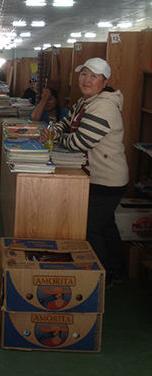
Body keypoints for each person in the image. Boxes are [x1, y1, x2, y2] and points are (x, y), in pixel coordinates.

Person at [42, 58, 129, 288]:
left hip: (107, 180)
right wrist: (53, 130)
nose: (86, 80)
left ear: (105, 81)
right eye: (84, 74)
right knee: (106, 225)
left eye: (93, 76)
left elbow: (81, 141)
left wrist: (56, 138)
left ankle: (105, 277)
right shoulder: (85, 101)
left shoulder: (105, 105)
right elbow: (65, 122)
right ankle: (117, 269)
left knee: (91, 228)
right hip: (96, 176)